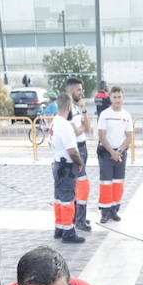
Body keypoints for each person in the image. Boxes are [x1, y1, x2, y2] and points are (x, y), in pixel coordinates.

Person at [47, 93, 84, 244]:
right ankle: (68, 232)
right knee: (68, 199)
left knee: (59, 199)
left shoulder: (54, 122)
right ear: (69, 107)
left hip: (57, 164)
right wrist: (80, 162)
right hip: (66, 167)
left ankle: (60, 228)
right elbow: (72, 150)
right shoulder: (65, 125)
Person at [96, 86, 133, 223]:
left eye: (119, 97)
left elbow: (129, 137)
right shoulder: (105, 114)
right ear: (110, 98)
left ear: (123, 98)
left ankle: (114, 211)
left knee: (118, 183)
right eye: (114, 97)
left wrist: (119, 152)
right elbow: (102, 136)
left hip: (120, 153)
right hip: (106, 153)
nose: (117, 100)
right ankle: (105, 212)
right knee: (106, 183)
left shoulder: (126, 115)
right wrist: (112, 152)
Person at [64, 76, 94, 234]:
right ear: (70, 90)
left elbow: (87, 127)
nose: (81, 92)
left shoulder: (76, 107)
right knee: (82, 186)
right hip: (76, 150)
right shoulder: (67, 109)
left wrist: (84, 111)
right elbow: (75, 132)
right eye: (79, 90)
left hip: (82, 148)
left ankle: (78, 217)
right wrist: (82, 126)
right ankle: (79, 220)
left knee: (79, 185)